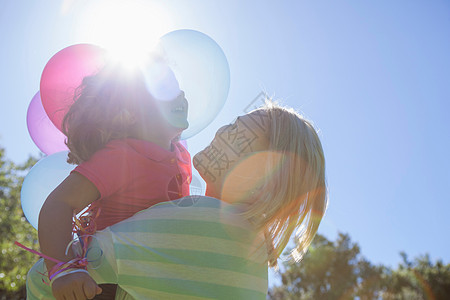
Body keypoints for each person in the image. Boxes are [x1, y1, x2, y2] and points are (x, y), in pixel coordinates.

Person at [27, 100, 327, 299]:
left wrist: (62, 269)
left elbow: (43, 277)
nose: (223, 129)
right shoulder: (253, 254)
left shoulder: (207, 220)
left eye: (237, 131)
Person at [30, 62, 192, 299]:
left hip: (153, 281)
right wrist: (63, 271)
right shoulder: (122, 156)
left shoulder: (181, 156)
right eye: (164, 91)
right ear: (130, 113)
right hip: (106, 284)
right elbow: (59, 203)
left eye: (178, 90)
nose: (181, 96)